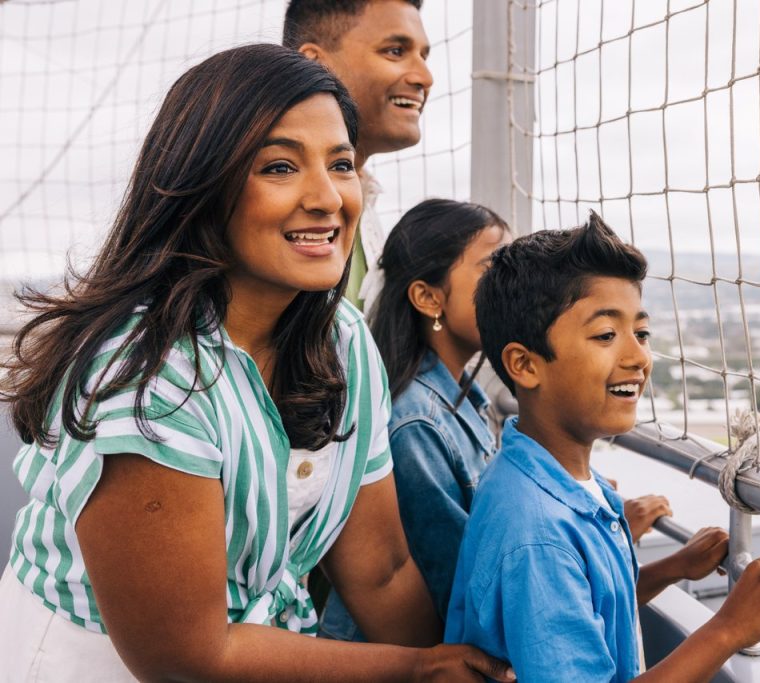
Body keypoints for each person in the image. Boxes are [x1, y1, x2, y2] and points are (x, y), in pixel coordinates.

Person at [0, 44, 513, 682]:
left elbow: (381, 572)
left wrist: (468, 669)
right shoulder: (146, 378)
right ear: (204, 186)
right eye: (279, 167)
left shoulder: (345, 342)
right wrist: (415, 671)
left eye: (342, 164)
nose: (328, 199)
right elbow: (188, 655)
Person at [445, 212, 760, 682]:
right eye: (606, 335)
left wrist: (673, 568)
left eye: (640, 333)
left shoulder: (556, 479)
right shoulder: (537, 535)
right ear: (524, 364)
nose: (639, 357)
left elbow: (587, 604)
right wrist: (730, 629)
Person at [320, 198, 511, 640]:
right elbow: (468, 588)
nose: (514, 283)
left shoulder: (462, 396)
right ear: (428, 298)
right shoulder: (415, 423)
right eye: (494, 268)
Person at [284, 0, 433, 311]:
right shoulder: (260, 214)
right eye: (395, 51)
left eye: (423, 55)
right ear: (314, 64)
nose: (424, 77)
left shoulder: (365, 209)